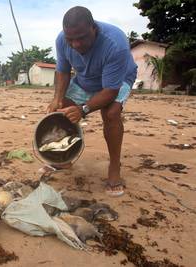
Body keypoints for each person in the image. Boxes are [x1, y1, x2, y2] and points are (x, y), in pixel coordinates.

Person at [47, 6, 137, 197]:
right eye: (70, 39)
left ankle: (114, 167)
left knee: (111, 113)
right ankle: (66, 156)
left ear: (93, 28)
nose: (76, 44)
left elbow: (110, 91)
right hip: (86, 78)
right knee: (62, 107)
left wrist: (83, 109)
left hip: (118, 79)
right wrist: (57, 99)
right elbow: (63, 71)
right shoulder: (62, 40)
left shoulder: (115, 43)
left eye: (81, 38)